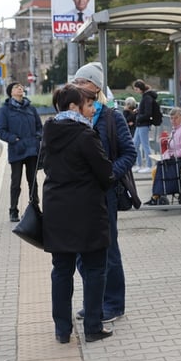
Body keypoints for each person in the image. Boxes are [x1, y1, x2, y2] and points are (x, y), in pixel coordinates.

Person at [40, 83, 115, 344]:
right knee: (95, 269)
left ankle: (62, 330)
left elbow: (44, 166)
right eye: (89, 104)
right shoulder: (85, 135)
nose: (93, 109)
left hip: (56, 210)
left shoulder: (49, 131)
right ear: (74, 107)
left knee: (61, 270)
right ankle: (93, 327)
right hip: (87, 211)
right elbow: (105, 172)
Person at [72, 62, 137, 325]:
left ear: (95, 87)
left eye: (81, 82)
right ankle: (93, 300)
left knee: (108, 249)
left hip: (104, 193)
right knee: (79, 250)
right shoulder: (73, 114)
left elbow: (129, 153)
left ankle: (113, 304)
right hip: (78, 194)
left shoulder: (112, 116)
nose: (76, 86)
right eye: (74, 82)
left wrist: (109, 174)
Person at [0, 82, 43, 222]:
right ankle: (13, 210)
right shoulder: (5, 110)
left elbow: (39, 127)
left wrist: (37, 138)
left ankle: (35, 208)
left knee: (32, 181)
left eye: (21, 87)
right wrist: (14, 139)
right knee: (16, 182)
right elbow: (1, 131)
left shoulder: (31, 108)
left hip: (31, 150)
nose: (20, 88)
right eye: (17, 87)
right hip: (16, 150)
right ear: (11, 92)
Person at [145, 107, 181, 205]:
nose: (173, 120)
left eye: (175, 118)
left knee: (159, 169)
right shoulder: (177, 128)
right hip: (177, 158)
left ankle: (157, 195)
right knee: (159, 166)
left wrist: (172, 155)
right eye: (171, 118)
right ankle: (157, 194)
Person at [132, 79, 158, 173]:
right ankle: (138, 164)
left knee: (145, 145)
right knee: (135, 145)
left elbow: (148, 113)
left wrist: (139, 117)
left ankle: (149, 165)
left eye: (136, 89)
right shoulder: (145, 97)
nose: (135, 91)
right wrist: (138, 111)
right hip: (140, 124)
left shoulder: (147, 98)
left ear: (139, 88)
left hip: (143, 124)